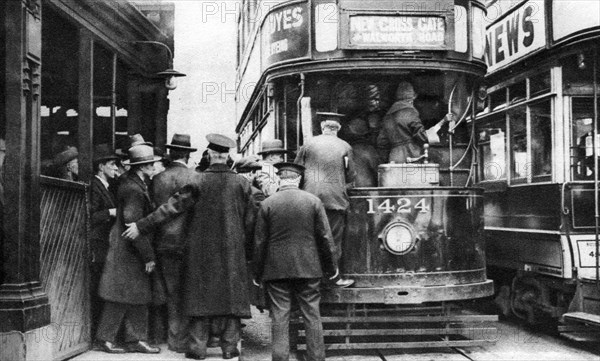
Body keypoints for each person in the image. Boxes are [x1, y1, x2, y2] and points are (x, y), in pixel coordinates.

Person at [122, 134, 255, 360]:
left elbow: (171, 208)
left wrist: (142, 226)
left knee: (199, 297)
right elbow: (251, 221)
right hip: (232, 250)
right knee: (231, 299)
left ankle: (197, 349)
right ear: (227, 156)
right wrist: (247, 251)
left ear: (210, 154)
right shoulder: (242, 183)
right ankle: (230, 348)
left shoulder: (198, 181)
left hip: (200, 250)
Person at [253, 162, 346, 361]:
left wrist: (257, 274)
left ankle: (280, 359)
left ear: (280, 179)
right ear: (298, 179)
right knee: (312, 315)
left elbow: (260, 242)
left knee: (279, 317)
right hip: (308, 268)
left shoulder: (268, 203)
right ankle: (317, 358)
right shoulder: (313, 201)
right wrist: (333, 270)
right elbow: (326, 239)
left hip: (276, 270)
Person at [95, 144, 162, 354]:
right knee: (127, 296)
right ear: (143, 168)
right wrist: (148, 256)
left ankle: (127, 339)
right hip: (129, 251)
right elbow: (132, 224)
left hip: (125, 250)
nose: (154, 169)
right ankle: (120, 339)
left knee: (130, 296)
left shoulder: (129, 183)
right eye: (151, 165)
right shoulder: (134, 189)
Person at [294, 112, 355, 287]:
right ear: (339, 128)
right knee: (333, 240)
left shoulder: (308, 145)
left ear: (321, 127)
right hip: (334, 200)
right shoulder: (345, 146)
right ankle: (334, 279)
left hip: (309, 200)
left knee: (310, 239)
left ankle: (309, 281)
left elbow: (296, 170)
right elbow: (351, 176)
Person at [150, 133, 198, 353]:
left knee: (168, 292)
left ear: (170, 153)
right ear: (188, 155)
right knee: (189, 291)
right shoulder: (196, 177)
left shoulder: (157, 179)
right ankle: (185, 339)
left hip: (163, 242)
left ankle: (170, 338)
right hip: (189, 243)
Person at [89, 144, 120, 340]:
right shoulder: (94, 186)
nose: (116, 168)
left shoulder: (106, 186)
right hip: (97, 245)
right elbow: (88, 215)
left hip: (103, 244)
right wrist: (110, 212)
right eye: (112, 164)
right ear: (101, 167)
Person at [377, 81, 428, 163]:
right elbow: (421, 135)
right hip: (411, 155)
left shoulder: (387, 116)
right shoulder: (410, 111)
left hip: (394, 157)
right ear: (412, 97)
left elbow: (381, 142)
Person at [345, 117, 379, 187]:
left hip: (350, 188)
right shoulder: (368, 150)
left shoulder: (346, 149)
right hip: (367, 188)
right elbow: (378, 171)